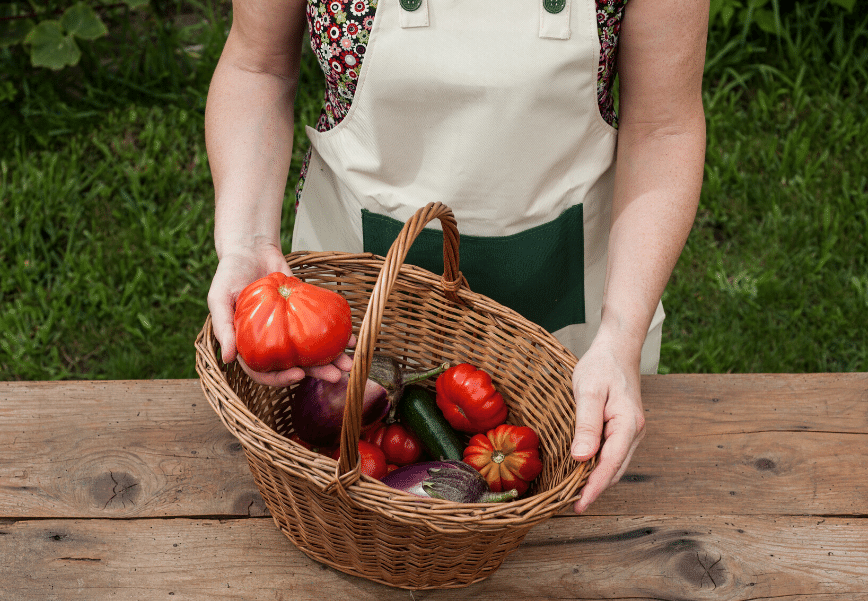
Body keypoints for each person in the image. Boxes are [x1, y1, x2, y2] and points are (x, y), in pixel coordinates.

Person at [205, 0, 708, 514]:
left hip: (574, 319)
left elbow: (663, 126)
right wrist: (245, 241)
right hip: (353, 320)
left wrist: (620, 338)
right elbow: (258, 67)